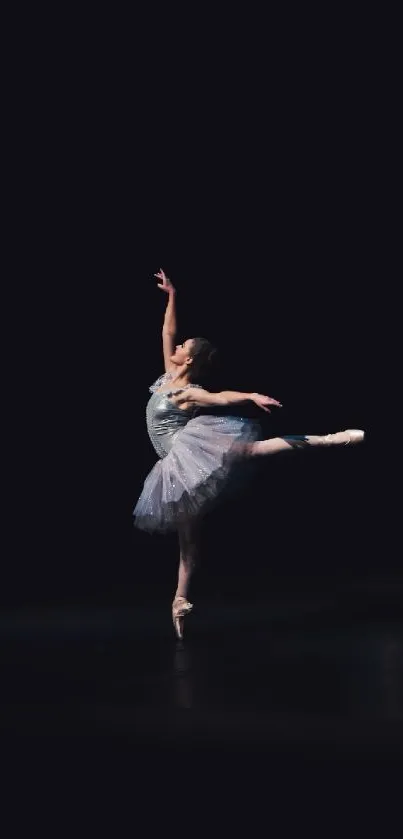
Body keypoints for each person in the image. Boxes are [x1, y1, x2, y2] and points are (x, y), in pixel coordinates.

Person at [133, 269, 364, 639]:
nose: (176, 349)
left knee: (254, 449)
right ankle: (180, 602)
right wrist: (171, 296)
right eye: (178, 348)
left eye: (182, 349)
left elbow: (219, 398)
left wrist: (250, 396)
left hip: (188, 452)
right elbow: (167, 333)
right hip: (171, 466)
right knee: (188, 538)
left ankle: (331, 439)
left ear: (189, 361)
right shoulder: (166, 376)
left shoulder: (186, 391)